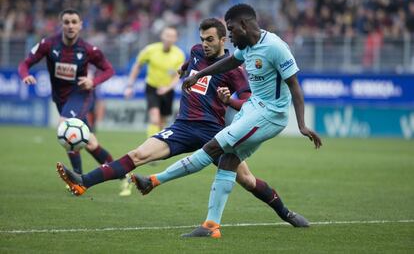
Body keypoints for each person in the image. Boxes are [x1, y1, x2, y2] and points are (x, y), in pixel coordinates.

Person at [56, 18, 310, 228]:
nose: (204, 44)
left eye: (210, 39)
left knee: (247, 180)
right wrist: (184, 69)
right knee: (137, 154)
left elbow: (248, 101)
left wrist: (229, 101)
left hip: (214, 133)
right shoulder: (196, 52)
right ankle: (82, 181)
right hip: (183, 127)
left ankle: (285, 213)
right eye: (202, 39)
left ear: (223, 40)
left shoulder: (234, 69)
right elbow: (191, 65)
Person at [176, 4, 323, 238]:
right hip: (252, 112)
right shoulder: (248, 47)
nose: (231, 35)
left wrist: (302, 125)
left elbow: (294, 85)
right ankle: (284, 215)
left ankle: (156, 181)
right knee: (233, 165)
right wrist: (200, 74)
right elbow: (229, 62)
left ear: (244, 25)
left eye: (232, 29)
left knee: (217, 150)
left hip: (268, 115)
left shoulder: (275, 47)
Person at [18, 8, 115, 175]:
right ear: (61, 25)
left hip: (80, 94)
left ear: (80, 26)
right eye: (67, 22)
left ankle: (76, 177)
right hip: (60, 99)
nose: (70, 26)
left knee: (66, 127)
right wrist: (25, 75)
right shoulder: (48, 44)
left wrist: (93, 82)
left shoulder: (88, 49)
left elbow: (108, 70)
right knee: (91, 144)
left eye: (74, 22)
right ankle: (120, 173)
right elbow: (24, 64)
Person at [120, 26, 185, 195]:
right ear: (162, 36)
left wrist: (168, 88)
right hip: (152, 88)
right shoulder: (150, 50)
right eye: (166, 35)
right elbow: (137, 65)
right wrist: (129, 85)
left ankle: (155, 148)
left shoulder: (179, 54)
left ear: (175, 38)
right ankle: (149, 151)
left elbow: (177, 76)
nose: (169, 38)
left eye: (172, 36)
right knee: (155, 119)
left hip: (167, 91)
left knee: (162, 122)